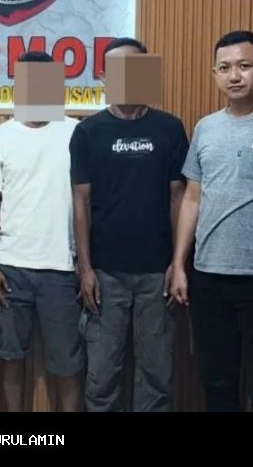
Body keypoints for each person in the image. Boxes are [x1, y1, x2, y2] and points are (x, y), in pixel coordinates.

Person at [169, 30, 253, 412]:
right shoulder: (205, 128)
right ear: (214, 73)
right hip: (208, 277)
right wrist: (179, 264)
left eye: (245, 66)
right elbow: (192, 197)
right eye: (225, 67)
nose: (234, 76)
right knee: (217, 383)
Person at [72, 37, 188, 412]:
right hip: (105, 273)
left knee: (156, 374)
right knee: (102, 375)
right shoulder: (88, 132)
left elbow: (179, 198)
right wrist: (85, 268)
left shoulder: (169, 128)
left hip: (157, 272)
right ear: (103, 76)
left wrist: (177, 263)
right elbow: (81, 201)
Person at [0, 50, 82, 412]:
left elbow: (86, 199)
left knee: (67, 366)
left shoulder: (76, 132)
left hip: (62, 270)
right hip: (10, 269)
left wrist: (84, 264)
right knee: (11, 361)